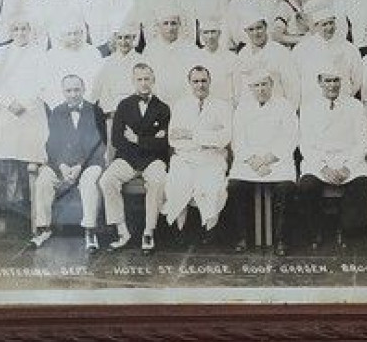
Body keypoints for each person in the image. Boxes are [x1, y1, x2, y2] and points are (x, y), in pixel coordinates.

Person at [29, 74, 107, 250]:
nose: (73, 94)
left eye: (77, 90)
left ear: (84, 89)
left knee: (89, 182)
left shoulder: (95, 111)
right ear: (63, 92)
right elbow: (52, 144)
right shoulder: (57, 112)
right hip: (61, 164)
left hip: (88, 163)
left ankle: (89, 230)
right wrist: (62, 165)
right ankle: (44, 228)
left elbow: (98, 144)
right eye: (69, 90)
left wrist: (80, 166)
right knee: (43, 181)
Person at [295, 72, 367, 250]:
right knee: (307, 186)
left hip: (349, 160)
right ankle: (316, 231)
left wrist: (348, 167)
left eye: (336, 80)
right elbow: (305, 143)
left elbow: (363, 141)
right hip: (319, 161)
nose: (332, 85)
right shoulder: (308, 107)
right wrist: (323, 168)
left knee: (361, 184)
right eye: (327, 81)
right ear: (319, 82)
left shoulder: (355, 105)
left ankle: (345, 231)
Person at [100, 63, 171, 251]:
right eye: (139, 79)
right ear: (133, 81)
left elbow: (163, 144)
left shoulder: (163, 108)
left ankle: (149, 231)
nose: (144, 83)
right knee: (107, 179)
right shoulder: (124, 105)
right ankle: (122, 230)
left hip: (153, 160)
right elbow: (116, 140)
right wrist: (150, 139)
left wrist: (137, 138)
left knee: (158, 179)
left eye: (147, 79)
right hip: (128, 159)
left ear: (153, 80)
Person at [227, 70, 299, 254]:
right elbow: (238, 139)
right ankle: (243, 236)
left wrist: (268, 159)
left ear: (271, 85)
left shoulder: (284, 105)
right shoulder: (242, 108)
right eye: (256, 85)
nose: (261, 89)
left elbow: (290, 137)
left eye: (264, 84)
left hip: (277, 160)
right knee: (235, 185)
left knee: (285, 188)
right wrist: (253, 161)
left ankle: (282, 239)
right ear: (250, 88)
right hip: (248, 161)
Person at [163, 65, 234, 241]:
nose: (200, 85)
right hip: (185, 158)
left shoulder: (222, 106)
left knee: (212, 187)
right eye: (195, 81)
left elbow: (224, 138)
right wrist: (207, 139)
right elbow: (174, 139)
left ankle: (210, 230)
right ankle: (181, 230)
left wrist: (191, 134)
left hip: (212, 159)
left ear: (210, 81)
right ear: (189, 83)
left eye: (203, 81)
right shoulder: (180, 106)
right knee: (177, 183)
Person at [0, 16, 50, 218]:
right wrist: (9, 103)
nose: (20, 33)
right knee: (10, 157)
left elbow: (43, 81)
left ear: (30, 30)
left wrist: (25, 103)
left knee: (31, 157)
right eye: (16, 29)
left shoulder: (39, 52)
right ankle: (10, 201)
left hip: (32, 111)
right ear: (10, 32)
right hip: (9, 112)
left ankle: (31, 201)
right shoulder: (1, 52)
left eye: (24, 28)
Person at [292, 0, 361, 108]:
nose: (329, 28)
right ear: (316, 26)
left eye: (331, 23)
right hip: (311, 106)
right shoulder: (301, 49)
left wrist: (344, 97)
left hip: (342, 105)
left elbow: (357, 80)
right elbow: (294, 81)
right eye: (324, 24)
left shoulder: (349, 48)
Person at [231, 16, 299, 107]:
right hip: (251, 110)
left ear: (265, 27)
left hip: (277, 108)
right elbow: (239, 86)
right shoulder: (243, 54)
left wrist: (290, 110)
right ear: (246, 31)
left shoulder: (280, 52)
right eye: (251, 29)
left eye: (259, 28)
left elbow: (292, 86)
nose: (255, 33)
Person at [143, 12, 197, 107]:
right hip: (157, 101)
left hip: (184, 101)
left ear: (179, 25)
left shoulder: (190, 48)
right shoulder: (150, 50)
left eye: (173, 23)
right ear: (159, 26)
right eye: (166, 23)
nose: (170, 28)